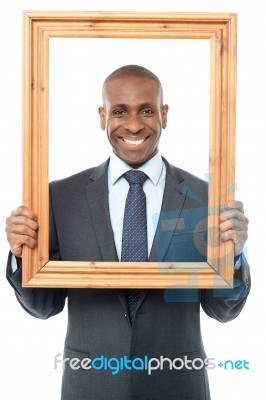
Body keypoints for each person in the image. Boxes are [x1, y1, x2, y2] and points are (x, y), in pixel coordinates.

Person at [5, 65, 250, 400]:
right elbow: (44, 306)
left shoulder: (206, 198)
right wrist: (22, 256)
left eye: (146, 110)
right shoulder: (60, 197)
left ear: (164, 115)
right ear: (103, 116)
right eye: (120, 111)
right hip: (90, 387)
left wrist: (234, 255)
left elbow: (223, 310)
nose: (134, 124)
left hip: (178, 386)